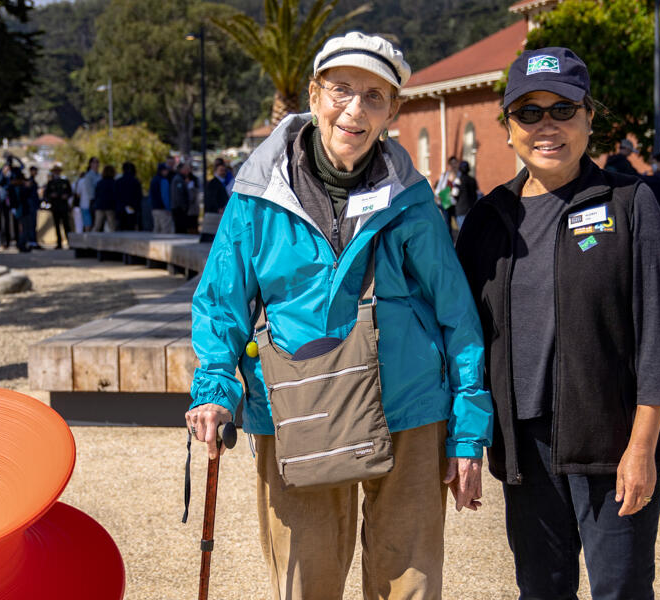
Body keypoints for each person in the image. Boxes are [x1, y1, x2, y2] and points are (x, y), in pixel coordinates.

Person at [184, 32, 492, 599]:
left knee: (411, 587)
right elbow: (221, 301)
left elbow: (457, 316)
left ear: (393, 111)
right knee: (306, 585)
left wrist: (469, 431)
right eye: (341, 90)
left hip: (410, 407)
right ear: (314, 94)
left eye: (375, 97)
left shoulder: (412, 199)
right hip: (297, 407)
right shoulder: (257, 197)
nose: (354, 110)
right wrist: (213, 388)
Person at [455, 47, 660, 600]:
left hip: (613, 439)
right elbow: (463, 340)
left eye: (562, 108)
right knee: (541, 591)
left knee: (622, 590)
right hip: (525, 450)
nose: (546, 125)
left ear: (588, 118)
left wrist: (642, 447)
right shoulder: (487, 219)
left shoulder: (629, 204)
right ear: (508, 127)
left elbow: (659, 331)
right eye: (528, 113)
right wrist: (464, 440)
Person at [43, 164, 73, 248]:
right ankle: (59, 243)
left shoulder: (65, 181)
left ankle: (70, 242)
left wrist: (66, 196)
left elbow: (70, 192)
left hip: (63, 206)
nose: (56, 173)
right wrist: (51, 196)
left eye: (58, 171)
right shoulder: (50, 183)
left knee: (66, 225)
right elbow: (46, 195)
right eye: (55, 171)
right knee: (56, 225)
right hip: (55, 206)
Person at [200, 162, 230, 242]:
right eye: (221, 170)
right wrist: (218, 208)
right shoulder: (213, 182)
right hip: (214, 212)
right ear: (216, 171)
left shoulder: (220, 182)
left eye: (224, 170)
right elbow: (211, 198)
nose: (223, 172)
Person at [73, 157, 100, 233]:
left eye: (97, 162)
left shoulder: (99, 176)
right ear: (90, 164)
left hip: (95, 204)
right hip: (88, 204)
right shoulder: (87, 177)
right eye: (94, 162)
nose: (96, 164)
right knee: (88, 224)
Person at [169, 162, 196, 234]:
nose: (188, 171)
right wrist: (184, 207)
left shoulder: (182, 179)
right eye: (186, 169)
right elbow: (179, 195)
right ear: (181, 170)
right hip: (179, 209)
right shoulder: (178, 179)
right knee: (180, 229)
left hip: (180, 208)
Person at [91, 164, 118, 233]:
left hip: (100, 206)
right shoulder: (114, 183)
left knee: (97, 226)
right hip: (110, 206)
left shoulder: (100, 183)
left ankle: (91, 241)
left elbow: (96, 195)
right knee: (112, 226)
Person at [433, 155, 459, 227]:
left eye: (455, 163)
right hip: (446, 201)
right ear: (449, 165)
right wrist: (438, 196)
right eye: (452, 163)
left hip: (456, 202)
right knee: (447, 224)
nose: (454, 165)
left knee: (459, 223)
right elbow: (439, 188)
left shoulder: (460, 174)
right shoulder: (445, 175)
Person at [149, 162, 173, 233]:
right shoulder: (163, 180)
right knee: (165, 230)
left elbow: (150, 195)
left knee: (156, 229)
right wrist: (168, 208)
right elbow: (165, 196)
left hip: (154, 208)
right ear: (162, 171)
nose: (167, 172)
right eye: (166, 170)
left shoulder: (153, 180)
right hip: (163, 209)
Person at [454, 160, 478, 229]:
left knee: (462, 233)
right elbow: (476, 194)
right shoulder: (473, 180)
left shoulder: (458, 180)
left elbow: (455, 194)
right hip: (471, 209)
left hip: (461, 209)